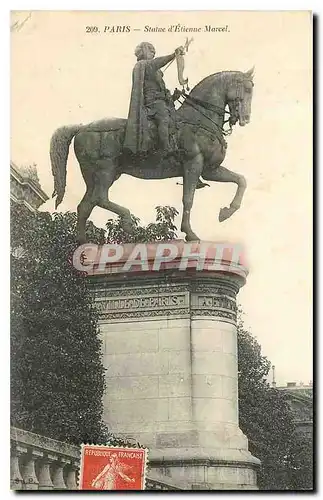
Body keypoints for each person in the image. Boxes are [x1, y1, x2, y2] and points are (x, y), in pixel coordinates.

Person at [123, 41, 183, 156]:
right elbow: (157, 63)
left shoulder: (155, 70)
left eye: (154, 51)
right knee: (164, 118)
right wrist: (173, 55)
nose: (153, 53)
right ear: (144, 52)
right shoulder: (143, 65)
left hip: (159, 101)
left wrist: (173, 97)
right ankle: (166, 149)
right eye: (151, 51)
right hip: (152, 102)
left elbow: (161, 91)